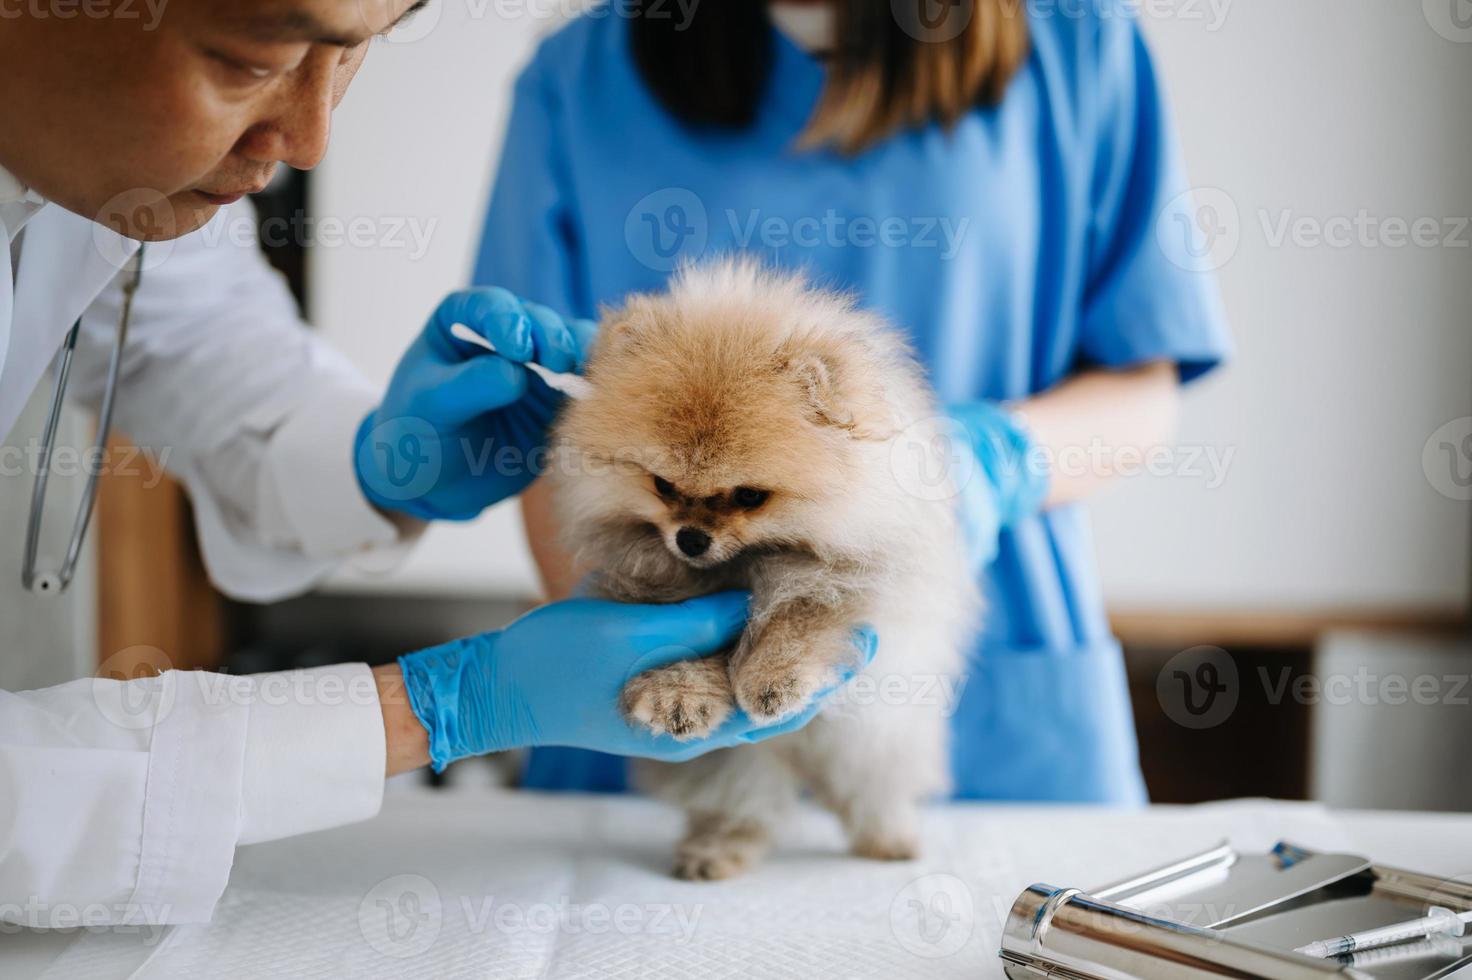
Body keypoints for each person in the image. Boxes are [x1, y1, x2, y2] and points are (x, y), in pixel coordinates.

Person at [0, 0, 866, 927]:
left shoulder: (145, 172)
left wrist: (374, 464)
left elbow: (199, 348)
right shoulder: (581, 75)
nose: (308, 141)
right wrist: (432, 711)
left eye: (355, 55)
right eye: (250, 61)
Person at [476, 0, 1231, 800]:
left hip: (989, 679)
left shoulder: (1079, 43)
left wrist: (990, 462)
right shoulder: (580, 74)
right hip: (656, 676)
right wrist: (642, 643)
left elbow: (1142, 383)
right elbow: (546, 422)